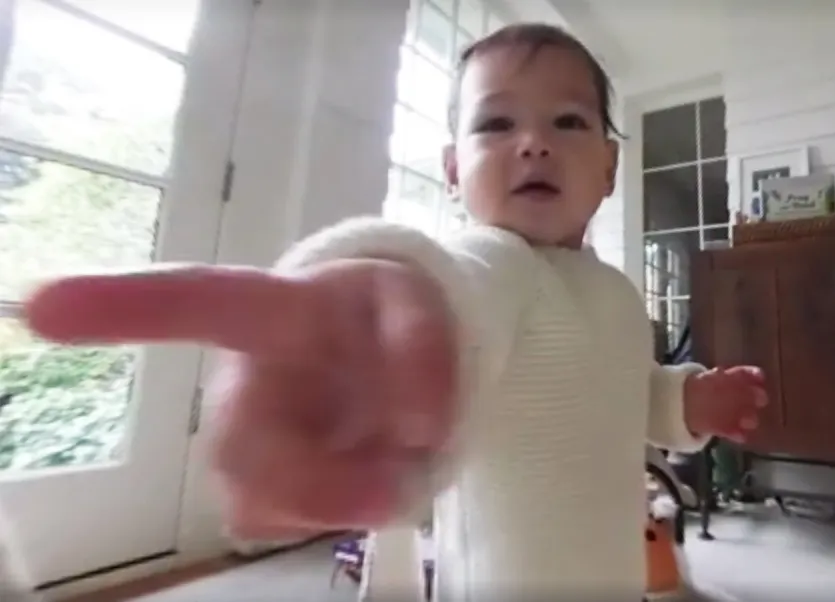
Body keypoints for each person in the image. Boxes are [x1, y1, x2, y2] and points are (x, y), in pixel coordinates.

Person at [20, 23, 767, 602]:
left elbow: (633, 392)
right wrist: (402, 314)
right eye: (496, 124)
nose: (533, 144)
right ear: (453, 172)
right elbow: (460, 299)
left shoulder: (618, 294)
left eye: (568, 122)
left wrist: (686, 400)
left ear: (608, 167)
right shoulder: (497, 262)